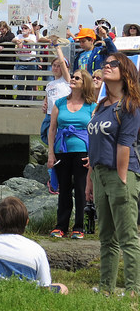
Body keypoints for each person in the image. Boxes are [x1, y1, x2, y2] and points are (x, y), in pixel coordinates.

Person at [86, 52, 140, 296]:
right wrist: (90, 180)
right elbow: (93, 146)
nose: (106, 67)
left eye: (113, 64)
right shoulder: (101, 105)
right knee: (106, 236)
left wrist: (121, 180)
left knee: (127, 235)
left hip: (122, 174)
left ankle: (132, 290)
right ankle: (106, 288)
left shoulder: (129, 105)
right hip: (98, 174)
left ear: (125, 70)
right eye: (104, 64)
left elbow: (124, 145)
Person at [47, 68, 96, 239]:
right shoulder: (60, 103)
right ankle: (61, 226)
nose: (72, 79)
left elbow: (95, 133)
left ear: (85, 83)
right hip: (62, 150)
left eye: (77, 78)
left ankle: (79, 227)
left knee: (82, 190)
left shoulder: (92, 106)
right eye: (72, 77)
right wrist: (51, 154)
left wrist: (93, 155)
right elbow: (52, 129)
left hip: (83, 151)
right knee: (64, 189)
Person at [0, 197, 66, 293]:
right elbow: (45, 285)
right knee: (62, 287)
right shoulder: (37, 249)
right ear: (27, 222)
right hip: (27, 292)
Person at [40, 40, 71, 145]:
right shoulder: (49, 84)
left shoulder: (67, 81)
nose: (56, 68)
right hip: (49, 115)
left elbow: (62, 62)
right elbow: (47, 99)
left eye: (59, 66)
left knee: (58, 141)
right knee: (47, 138)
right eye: (54, 65)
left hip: (61, 115)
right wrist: (44, 105)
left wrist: (57, 47)